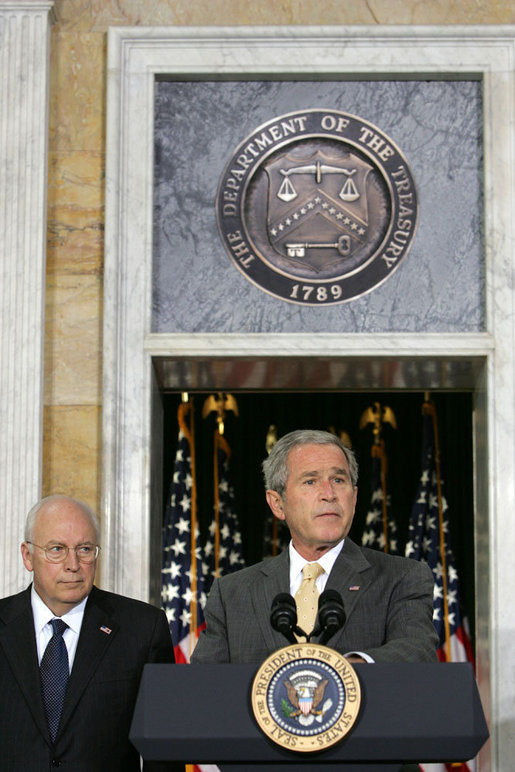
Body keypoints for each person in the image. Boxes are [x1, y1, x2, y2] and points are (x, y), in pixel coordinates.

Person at [192, 429, 438, 664]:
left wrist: (343, 668)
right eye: (310, 482)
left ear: (353, 497)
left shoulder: (401, 577)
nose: (329, 494)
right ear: (277, 504)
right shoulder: (232, 593)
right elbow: (205, 687)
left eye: (338, 480)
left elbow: (416, 652)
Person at [0, 494, 182, 771]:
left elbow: (165, 751)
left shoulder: (143, 628)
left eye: (85, 549)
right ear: (28, 556)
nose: (73, 564)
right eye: (57, 549)